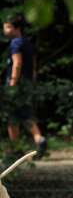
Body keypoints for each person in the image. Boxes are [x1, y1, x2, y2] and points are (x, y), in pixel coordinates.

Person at [3, 15, 47, 158]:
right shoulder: (27, 43)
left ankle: (16, 149)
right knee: (25, 114)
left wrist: (12, 86)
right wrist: (31, 83)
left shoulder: (15, 43)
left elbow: (17, 63)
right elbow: (33, 66)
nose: (5, 31)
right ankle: (39, 138)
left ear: (18, 28)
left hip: (16, 85)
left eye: (8, 27)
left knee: (11, 116)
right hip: (27, 84)